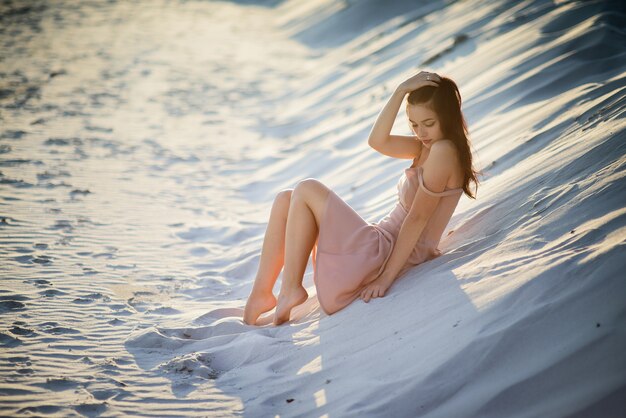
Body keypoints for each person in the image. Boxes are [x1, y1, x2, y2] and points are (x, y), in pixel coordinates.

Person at [243, 70, 480, 326]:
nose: (420, 132)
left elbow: (418, 217)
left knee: (307, 187)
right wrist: (399, 91)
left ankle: (290, 288)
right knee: (285, 199)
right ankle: (262, 294)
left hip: (384, 254)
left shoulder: (444, 151)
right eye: (413, 124)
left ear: (447, 117)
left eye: (428, 123)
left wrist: (386, 278)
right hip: (379, 244)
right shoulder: (426, 146)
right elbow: (377, 141)